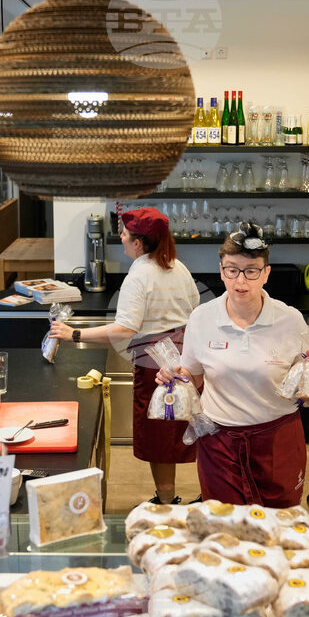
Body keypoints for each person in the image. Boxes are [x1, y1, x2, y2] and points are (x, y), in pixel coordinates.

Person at [156, 223, 309, 508]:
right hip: (219, 442)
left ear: (266, 273)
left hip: (277, 440)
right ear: (221, 269)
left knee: (280, 522)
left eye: (251, 271)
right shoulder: (202, 318)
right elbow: (191, 376)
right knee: (224, 524)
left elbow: (307, 378)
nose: (241, 281)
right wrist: (174, 376)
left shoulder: (290, 320)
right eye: (232, 270)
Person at [48, 208, 200, 505]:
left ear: (139, 243)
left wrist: (74, 334)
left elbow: (124, 328)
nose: (121, 238)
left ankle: (167, 500)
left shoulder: (140, 275)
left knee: (160, 434)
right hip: (186, 360)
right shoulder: (177, 267)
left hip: (155, 365)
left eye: (125, 234)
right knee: (188, 429)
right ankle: (206, 493)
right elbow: (196, 312)